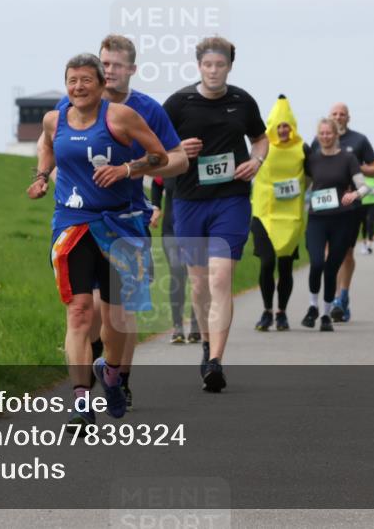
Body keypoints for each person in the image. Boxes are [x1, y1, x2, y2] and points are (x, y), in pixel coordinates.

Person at [41, 35, 188, 410]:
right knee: (79, 310)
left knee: (118, 314)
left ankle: (117, 376)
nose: (107, 70)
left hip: (124, 221)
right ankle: (79, 398)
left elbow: (174, 160)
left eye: (113, 66)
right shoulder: (63, 109)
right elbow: (51, 141)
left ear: (127, 71)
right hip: (75, 222)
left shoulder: (142, 110)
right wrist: (45, 177)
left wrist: (127, 170)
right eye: (103, 63)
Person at [163, 36, 268, 392]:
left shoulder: (242, 100)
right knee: (199, 283)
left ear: (229, 67)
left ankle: (216, 361)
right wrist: (176, 148)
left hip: (231, 199)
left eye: (219, 65)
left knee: (221, 279)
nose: (213, 71)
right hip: (190, 201)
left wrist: (256, 160)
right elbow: (154, 145)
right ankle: (206, 343)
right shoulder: (178, 103)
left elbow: (261, 138)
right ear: (198, 66)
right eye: (207, 65)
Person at [310, 103, 374, 323]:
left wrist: (353, 168)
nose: (338, 117)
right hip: (322, 209)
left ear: (348, 118)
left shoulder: (359, 140)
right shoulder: (318, 141)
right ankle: (329, 302)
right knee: (326, 254)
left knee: (346, 254)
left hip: (350, 208)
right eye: (335, 114)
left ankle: (343, 296)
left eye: (342, 114)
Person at [300, 118, 372, 332]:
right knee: (316, 263)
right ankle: (312, 306)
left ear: (335, 135)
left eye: (328, 133)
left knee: (331, 268)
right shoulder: (311, 160)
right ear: (317, 135)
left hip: (342, 219)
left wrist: (354, 194)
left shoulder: (348, 158)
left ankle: (325, 314)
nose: (325, 136)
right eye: (321, 133)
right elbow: (302, 185)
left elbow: (365, 187)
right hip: (317, 219)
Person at [250, 95, 305, 332]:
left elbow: (317, 171)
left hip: (289, 217)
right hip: (263, 213)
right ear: (272, 127)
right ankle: (266, 311)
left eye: (287, 126)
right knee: (266, 263)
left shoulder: (302, 148)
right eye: (279, 126)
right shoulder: (262, 146)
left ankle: (281, 312)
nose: (283, 130)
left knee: (284, 267)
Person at [150, 176, 200, 343]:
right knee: (177, 271)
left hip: (197, 231)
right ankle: (177, 326)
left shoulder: (200, 164)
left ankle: (195, 325)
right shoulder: (171, 162)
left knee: (197, 277)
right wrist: (156, 206)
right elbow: (157, 183)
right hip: (171, 230)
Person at [358, 176, 374, 255]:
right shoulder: (361, 178)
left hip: (373, 203)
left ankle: (369, 244)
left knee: (370, 222)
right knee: (364, 223)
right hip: (363, 203)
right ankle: (364, 243)